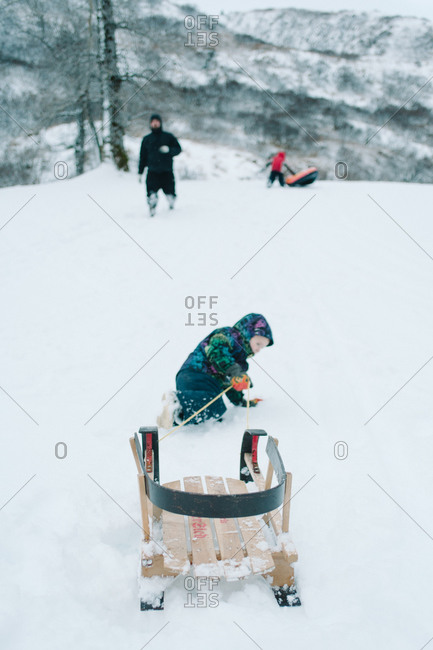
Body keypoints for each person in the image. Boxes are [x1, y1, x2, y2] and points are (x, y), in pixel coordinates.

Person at [157, 313, 273, 428]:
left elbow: (230, 385)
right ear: (248, 333)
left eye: (262, 347)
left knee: (213, 409)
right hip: (196, 373)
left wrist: (240, 400)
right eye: (258, 343)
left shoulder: (240, 362)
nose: (258, 349)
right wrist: (235, 371)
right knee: (216, 405)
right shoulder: (228, 335)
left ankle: (172, 416)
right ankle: (176, 402)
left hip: (202, 386)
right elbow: (216, 352)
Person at [138, 114, 182, 216]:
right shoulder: (146, 139)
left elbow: (178, 149)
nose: (155, 123)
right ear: (150, 124)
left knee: (170, 192)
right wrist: (140, 172)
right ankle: (152, 207)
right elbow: (142, 157)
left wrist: (169, 150)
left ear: (160, 123)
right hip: (152, 172)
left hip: (167, 171)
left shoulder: (168, 137)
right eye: (153, 122)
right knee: (151, 193)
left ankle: (171, 202)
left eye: (157, 121)